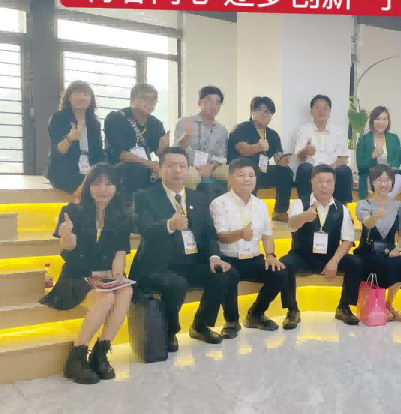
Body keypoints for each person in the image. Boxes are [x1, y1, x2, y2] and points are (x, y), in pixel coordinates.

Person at [129, 147, 239, 350]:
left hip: (191, 262)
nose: (177, 170)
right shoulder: (144, 196)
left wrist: (214, 257)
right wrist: (170, 225)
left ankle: (201, 325)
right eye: (171, 166)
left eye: (182, 166)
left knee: (225, 273)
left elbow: (208, 232)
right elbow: (143, 228)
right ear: (160, 169)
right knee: (176, 284)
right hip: (158, 265)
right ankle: (170, 332)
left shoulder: (198, 197)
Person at [43, 163, 132, 384]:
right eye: (97, 183)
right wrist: (67, 235)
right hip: (76, 276)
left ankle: (100, 353)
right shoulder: (71, 211)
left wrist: (117, 277)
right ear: (88, 186)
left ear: (116, 188)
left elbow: (120, 252)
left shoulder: (122, 216)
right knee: (106, 297)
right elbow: (68, 247)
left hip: (104, 276)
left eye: (108, 183)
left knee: (126, 291)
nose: (103, 188)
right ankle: (77, 356)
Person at [210, 159, 290, 338]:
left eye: (251, 175)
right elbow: (220, 236)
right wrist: (240, 234)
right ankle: (231, 321)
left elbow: (267, 235)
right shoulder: (219, 203)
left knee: (280, 272)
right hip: (228, 259)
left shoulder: (261, 205)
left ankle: (255, 314)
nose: (247, 179)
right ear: (230, 178)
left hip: (254, 259)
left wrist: (270, 255)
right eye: (241, 175)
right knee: (227, 275)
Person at [280, 164, 364, 327]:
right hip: (302, 256)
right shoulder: (299, 203)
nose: (324, 186)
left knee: (356, 263)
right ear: (312, 182)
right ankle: (292, 310)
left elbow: (347, 240)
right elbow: (291, 225)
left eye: (328, 182)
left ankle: (343, 307)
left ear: (334, 184)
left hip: (329, 257)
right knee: (284, 264)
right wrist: (305, 216)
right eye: (320, 181)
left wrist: (334, 261)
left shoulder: (342, 208)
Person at [354, 165, 401, 322]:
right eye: (379, 180)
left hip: (390, 249)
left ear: (392, 183)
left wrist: (398, 248)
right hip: (368, 250)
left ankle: (388, 304)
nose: (383, 184)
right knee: (380, 263)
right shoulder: (364, 204)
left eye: (387, 180)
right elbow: (368, 224)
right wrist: (376, 215)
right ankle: (379, 305)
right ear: (372, 182)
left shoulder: (398, 205)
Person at [227, 97, 294, 222]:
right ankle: (248, 214)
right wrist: (258, 147)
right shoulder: (241, 129)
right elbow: (242, 149)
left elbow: (278, 155)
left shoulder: (272, 134)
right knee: (251, 172)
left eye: (269, 112)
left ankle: (280, 211)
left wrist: (282, 161)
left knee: (286, 172)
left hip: (262, 172)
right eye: (262, 111)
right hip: (241, 172)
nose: (266, 115)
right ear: (252, 111)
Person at [103, 84, 169, 196]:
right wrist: (151, 165)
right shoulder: (115, 118)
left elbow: (159, 153)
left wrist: (163, 147)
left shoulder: (156, 124)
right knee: (136, 170)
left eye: (153, 101)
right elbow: (121, 154)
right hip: (119, 167)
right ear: (132, 100)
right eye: (145, 99)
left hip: (146, 168)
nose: (149, 103)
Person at [45, 81, 105, 196]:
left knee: (109, 185)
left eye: (86, 94)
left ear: (91, 99)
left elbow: (98, 153)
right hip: (64, 170)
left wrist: (101, 172)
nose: (82, 97)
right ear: (69, 98)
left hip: (90, 170)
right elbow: (58, 152)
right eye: (77, 93)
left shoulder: (94, 123)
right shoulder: (58, 118)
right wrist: (70, 138)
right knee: (89, 189)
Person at [294, 95, 353, 204]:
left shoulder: (339, 131)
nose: (321, 111)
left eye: (325, 108)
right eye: (317, 108)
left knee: (344, 170)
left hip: (333, 169)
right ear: (311, 111)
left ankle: (342, 208)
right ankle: (306, 207)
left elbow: (343, 158)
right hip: (312, 170)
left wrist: (329, 170)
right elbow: (300, 158)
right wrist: (306, 150)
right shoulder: (303, 130)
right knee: (304, 168)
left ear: (329, 111)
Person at [174, 86, 230, 189]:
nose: (213, 105)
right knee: (191, 177)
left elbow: (222, 156)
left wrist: (210, 166)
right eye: (209, 100)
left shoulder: (222, 130)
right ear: (199, 103)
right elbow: (177, 150)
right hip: (188, 165)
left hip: (211, 166)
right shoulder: (185, 121)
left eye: (217, 102)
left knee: (234, 174)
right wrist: (186, 136)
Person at [356, 106, 401, 200]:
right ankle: (382, 204)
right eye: (378, 119)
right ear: (372, 121)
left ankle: (384, 203)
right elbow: (360, 166)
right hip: (370, 176)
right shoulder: (363, 140)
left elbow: (397, 161)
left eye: (384, 119)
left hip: (390, 175)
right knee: (378, 182)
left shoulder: (394, 138)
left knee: (398, 179)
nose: (381, 122)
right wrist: (372, 156)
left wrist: (385, 172)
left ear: (388, 121)